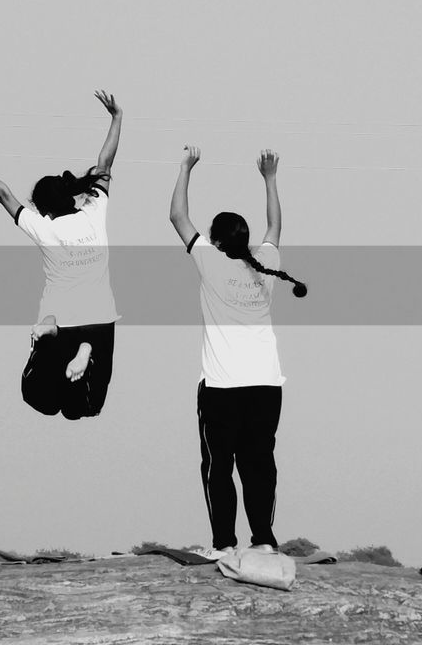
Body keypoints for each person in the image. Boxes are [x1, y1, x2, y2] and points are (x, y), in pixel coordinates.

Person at [168, 145, 307, 559]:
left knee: (218, 468)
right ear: (245, 239)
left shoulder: (210, 262)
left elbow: (177, 217)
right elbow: (275, 225)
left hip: (223, 389)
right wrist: (269, 178)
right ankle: (263, 541)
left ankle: (224, 546)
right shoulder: (265, 262)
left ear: (214, 240)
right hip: (266, 387)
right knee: (259, 466)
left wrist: (185, 167)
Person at [0, 91, 122, 420]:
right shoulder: (94, 211)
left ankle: (47, 338)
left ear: (44, 209)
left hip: (59, 320)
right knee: (85, 408)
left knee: (38, 397)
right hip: (100, 321)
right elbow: (104, 164)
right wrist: (117, 117)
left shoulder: (44, 228)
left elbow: (3, 193)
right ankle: (84, 354)